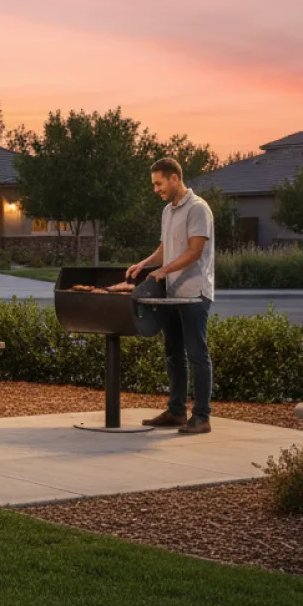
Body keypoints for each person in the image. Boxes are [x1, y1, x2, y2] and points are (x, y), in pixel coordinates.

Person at [126, 157, 215, 435]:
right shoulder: (168, 211)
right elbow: (166, 248)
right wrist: (145, 264)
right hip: (172, 293)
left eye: (159, 183)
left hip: (194, 294)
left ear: (174, 178)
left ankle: (202, 417)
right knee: (173, 353)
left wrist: (164, 271)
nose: (156, 189)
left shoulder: (198, 209)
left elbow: (194, 251)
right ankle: (177, 412)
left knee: (197, 354)